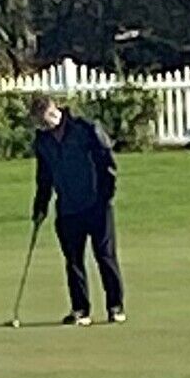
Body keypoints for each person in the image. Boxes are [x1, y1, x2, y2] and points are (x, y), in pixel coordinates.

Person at [29, 96, 125, 325]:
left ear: (53, 112)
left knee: (105, 257)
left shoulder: (86, 129)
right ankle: (81, 309)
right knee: (73, 260)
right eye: (38, 123)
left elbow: (107, 163)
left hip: (96, 205)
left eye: (43, 121)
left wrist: (105, 196)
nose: (42, 126)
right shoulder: (43, 141)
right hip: (68, 208)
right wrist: (40, 206)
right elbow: (44, 177)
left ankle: (115, 306)